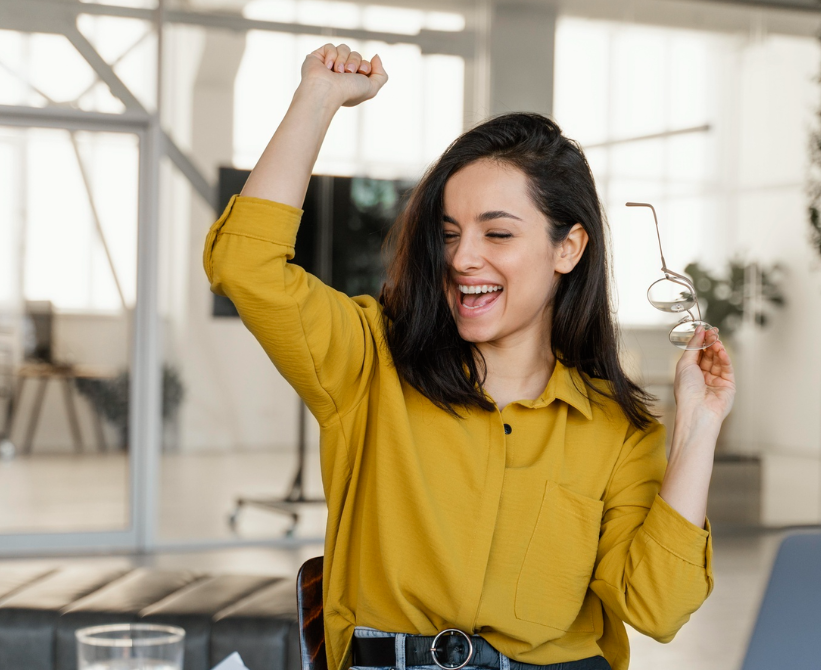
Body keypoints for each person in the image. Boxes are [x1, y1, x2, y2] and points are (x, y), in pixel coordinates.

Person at [203, 43, 736, 670]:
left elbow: (656, 607)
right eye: (450, 233)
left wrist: (698, 427)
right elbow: (246, 266)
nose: (461, 258)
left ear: (568, 248)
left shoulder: (617, 429)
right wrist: (316, 99)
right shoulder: (369, 363)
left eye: (498, 233)